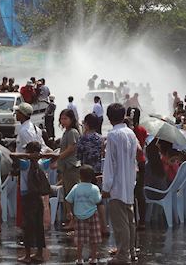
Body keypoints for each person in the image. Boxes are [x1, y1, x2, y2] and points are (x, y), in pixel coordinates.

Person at [102, 103, 138, 264]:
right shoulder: (130, 133)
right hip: (129, 182)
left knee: (120, 223)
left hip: (116, 185)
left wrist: (106, 187)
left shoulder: (113, 135)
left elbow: (110, 164)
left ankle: (123, 256)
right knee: (129, 221)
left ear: (109, 118)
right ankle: (130, 252)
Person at [11, 142, 47, 264]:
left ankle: (27, 255)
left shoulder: (25, 164)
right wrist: (39, 156)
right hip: (38, 197)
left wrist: (28, 156)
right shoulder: (41, 164)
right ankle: (39, 254)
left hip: (27, 197)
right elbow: (56, 157)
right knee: (38, 225)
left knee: (28, 226)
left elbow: (12, 155)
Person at [48, 109, 81, 230]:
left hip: (72, 167)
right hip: (66, 168)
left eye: (65, 118)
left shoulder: (72, 132)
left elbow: (72, 148)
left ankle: (74, 220)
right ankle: (71, 219)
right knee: (67, 194)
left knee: (72, 194)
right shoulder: (66, 132)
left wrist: (58, 157)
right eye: (61, 119)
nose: (63, 121)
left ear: (71, 120)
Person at [66, 165, 102, 265]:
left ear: (80, 176)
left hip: (79, 216)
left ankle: (79, 259)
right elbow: (98, 200)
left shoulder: (76, 187)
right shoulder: (95, 188)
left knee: (79, 239)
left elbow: (68, 200)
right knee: (94, 238)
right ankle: (94, 258)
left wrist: (69, 212)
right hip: (92, 214)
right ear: (92, 177)